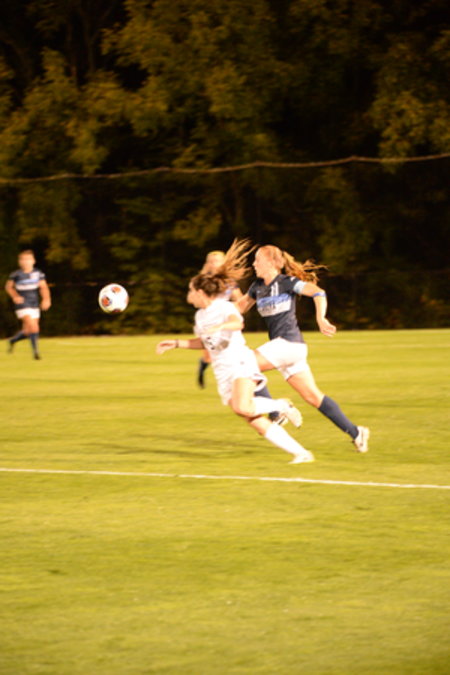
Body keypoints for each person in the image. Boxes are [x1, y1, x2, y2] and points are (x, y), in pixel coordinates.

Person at [156, 240, 314, 464]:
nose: (188, 294)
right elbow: (205, 342)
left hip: (240, 363)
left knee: (243, 406)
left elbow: (236, 323)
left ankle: (281, 405)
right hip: (222, 371)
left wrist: (220, 326)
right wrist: (176, 343)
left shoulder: (223, 307)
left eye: (191, 290)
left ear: (200, 293)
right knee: (252, 418)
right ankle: (301, 453)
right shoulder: (200, 316)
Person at [237, 244, 370, 453]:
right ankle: (356, 432)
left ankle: (276, 412)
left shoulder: (286, 282)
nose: (254, 264)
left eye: (257, 260)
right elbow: (238, 308)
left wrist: (321, 318)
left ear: (271, 262)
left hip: (288, 344)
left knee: (245, 365)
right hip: (287, 350)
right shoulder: (257, 287)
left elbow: (318, 292)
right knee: (313, 397)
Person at [196, 249, 243, 388]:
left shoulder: (229, 282)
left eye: (216, 261)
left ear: (223, 263)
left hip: (224, 320)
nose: (213, 264)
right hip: (208, 319)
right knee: (208, 354)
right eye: (210, 261)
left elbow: (239, 299)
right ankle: (202, 367)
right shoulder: (204, 281)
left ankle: (235, 379)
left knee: (229, 350)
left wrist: (232, 309)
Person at [5, 249, 51, 360]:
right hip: (22, 304)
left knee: (28, 331)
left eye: (28, 259)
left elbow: (43, 287)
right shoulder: (16, 274)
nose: (26, 262)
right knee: (34, 327)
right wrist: (15, 296)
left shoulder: (38, 273)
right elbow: (8, 287)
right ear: (19, 261)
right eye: (23, 259)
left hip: (34, 303)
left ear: (33, 261)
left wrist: (46, 299)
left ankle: (12, 340)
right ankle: (36, 352)